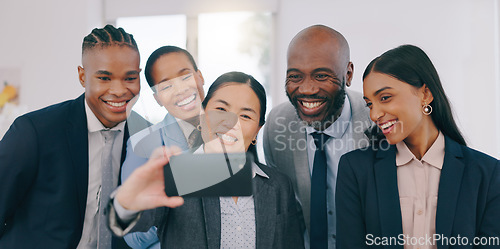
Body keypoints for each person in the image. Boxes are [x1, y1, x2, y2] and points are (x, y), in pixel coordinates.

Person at [109, 71, 305, 249]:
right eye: (221, 109)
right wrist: (126, 202)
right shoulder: (177, 174)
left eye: (245, 116)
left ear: (257, 131)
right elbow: (133, 223)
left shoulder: (279, 186)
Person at [336, 44, 500, 249]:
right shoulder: (355, 170)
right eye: (370, 103)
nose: (374, 114)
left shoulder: (488, 173)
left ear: (426, 94)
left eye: (385, 98)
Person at [0, 24, 141, 248]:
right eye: (104, 78)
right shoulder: (34, 131)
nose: (119, 90)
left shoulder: (146, 139)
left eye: (130, 78)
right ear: (83, 76)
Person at [263, 24, 372, 249]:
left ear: (348, 74)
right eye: (295, 76)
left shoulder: (376, 120)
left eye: (321, 75)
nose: (307, 89)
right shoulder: (276, 125)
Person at [120, 46, 205, 249]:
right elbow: (132, 237)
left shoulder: (230, 130)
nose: (181, 90)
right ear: (157, 98)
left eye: (185, 77)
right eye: (166, 87)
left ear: (200, 77)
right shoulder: (143, 145)